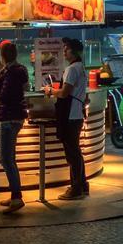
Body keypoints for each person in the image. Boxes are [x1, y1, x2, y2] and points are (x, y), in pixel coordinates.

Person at [44, 37, 88, 200]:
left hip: (70, 115)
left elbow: (64, 93)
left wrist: (50, 91)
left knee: (72, 154)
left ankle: (75, 188)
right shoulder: (81, 67)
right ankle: (82, 185)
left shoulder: (71, 69)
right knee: (76, 152)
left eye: (66, 49)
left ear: (73, 52)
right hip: (77, 114)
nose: (64, 51)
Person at [0, 42, 28, 213]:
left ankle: (17, 198)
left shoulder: (10, 72)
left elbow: (4, 97)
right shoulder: (22, 69)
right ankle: (14, 196)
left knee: (6, 159)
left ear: (3, 56)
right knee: (10, 158)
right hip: (16, 117)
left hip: (9, 118)